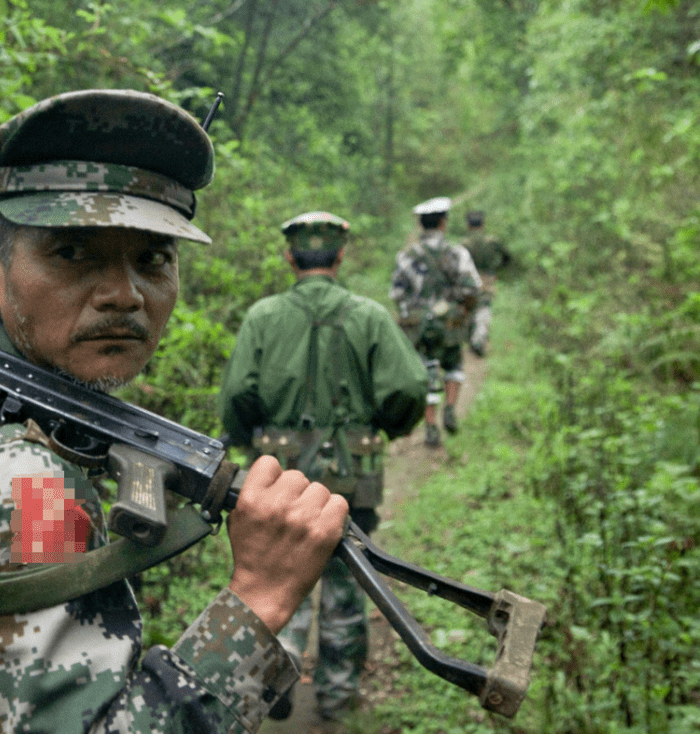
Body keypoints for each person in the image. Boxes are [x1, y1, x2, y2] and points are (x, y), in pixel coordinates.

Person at [0, 89, 349, 734]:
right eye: (72, 252)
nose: (124, 293)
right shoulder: (33, 493)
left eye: (153, 258)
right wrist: (260, 595)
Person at [217, 212, 428, 722]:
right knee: (346, 578)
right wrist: (385, 428)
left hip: (279, 472)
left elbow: (238, 395)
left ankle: (278, 674)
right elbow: (408, 388)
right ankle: (335, 695)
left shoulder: (263, 317)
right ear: (341, 256)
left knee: (278, 574)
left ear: (290, 257)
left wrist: (251, 442)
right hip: (353, 472)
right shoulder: (370, 316)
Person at [390, 197, 482, 447]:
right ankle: (450, 409)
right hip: (451, 324)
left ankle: (430, 425)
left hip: (418, 327)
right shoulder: (457, 253)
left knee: (425, 370)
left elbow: (397, 293)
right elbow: (473, 288)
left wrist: (414, 314)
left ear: (421, 225)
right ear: (443, 223)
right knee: (453, 366)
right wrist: (462, 310)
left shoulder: (406, 256)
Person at [461, 210, 512, 356]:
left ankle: (471, 338)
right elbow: (507, 257)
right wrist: (497, 268)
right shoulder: (492, 241)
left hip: (469, 279)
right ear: (483, 224)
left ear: (468, 225)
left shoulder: (464, 244)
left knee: (469, 308)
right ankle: (479, 340)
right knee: (484, 308)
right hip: (487, 279)